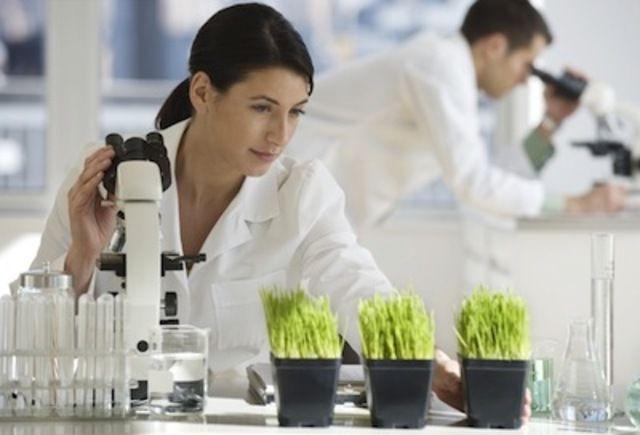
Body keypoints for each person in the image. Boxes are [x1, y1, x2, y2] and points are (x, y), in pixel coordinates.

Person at [15, 2, 531, 421]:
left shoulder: (301, 193)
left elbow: (359, 288)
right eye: (262, 108)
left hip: (236, 422)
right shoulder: (107, 177)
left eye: (295, 112)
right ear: (203, 92)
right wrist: (83, 256)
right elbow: (28, 347)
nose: (280, 135)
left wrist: (434, 366)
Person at [285, 0, 627, 231]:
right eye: (527, 64)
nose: (526, 80)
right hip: (293, 191)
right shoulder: (440, 64)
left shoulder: (455, 78)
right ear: (495, 46)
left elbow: (497, 179)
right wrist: (577, 204)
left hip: (322, 210)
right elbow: (474, 182)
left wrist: (552, 119)